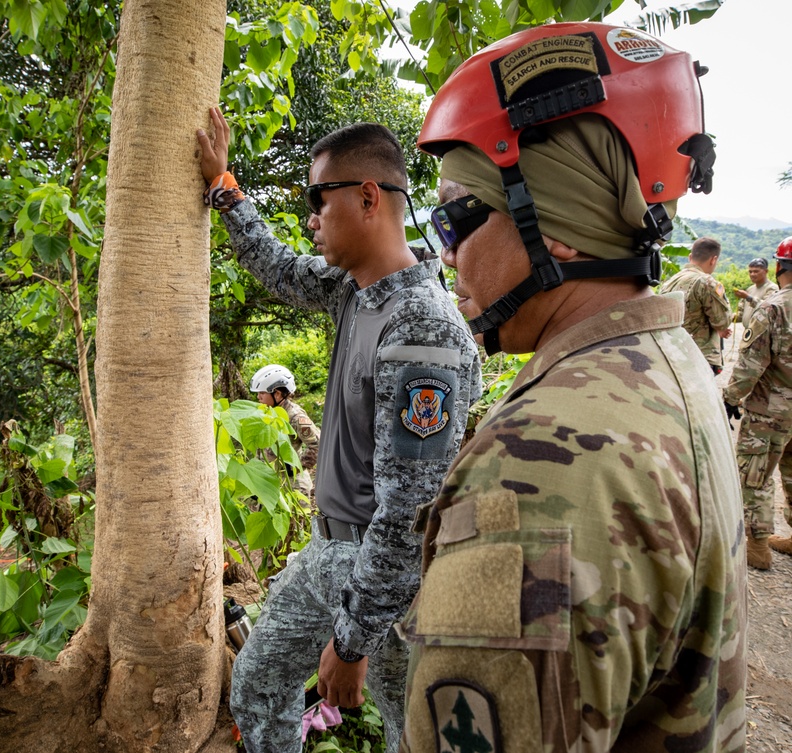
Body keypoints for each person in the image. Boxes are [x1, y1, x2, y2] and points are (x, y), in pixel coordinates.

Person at [402, 22, 745, 752]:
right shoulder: (669, 361)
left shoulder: (532, 475)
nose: (446, 254)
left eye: (456, 218)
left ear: (554, 224)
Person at [197, 109, 481, 751]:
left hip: (387, 573)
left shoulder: (421, 328)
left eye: (318, 200)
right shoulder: (354, 290)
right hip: (330, 550)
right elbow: (277, 266)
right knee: (259, 684)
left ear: (368, 197)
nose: (311, 218)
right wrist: (225, 187)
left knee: (414, 731)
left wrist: (352, 642)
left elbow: (409, 512)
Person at [723, 238, 792, 570]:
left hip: (770, 411)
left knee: (756, 475)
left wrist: (730, 399)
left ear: (779, 268)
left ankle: (758, 546)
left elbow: (751, 365)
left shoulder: (774, 308)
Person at [660, 236, 732, 373]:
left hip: (673, 352)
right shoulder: (706, 282)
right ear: (713, 260)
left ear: (689, 257)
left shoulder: (670, 282)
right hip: (699, 356)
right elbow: (722, 322)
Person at [250, 364, 321, 499]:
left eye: (262, 393)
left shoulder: (295, 416)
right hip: (270, 484)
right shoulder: (266, 412)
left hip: (293, 487)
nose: (258, 397)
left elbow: (318, 444)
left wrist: (295, 467)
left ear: (277, 394)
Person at [735, 257, 779, 329]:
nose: (752, 274)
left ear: (766, 271)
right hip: (748, 333)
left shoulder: (772, 288)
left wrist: (748, 297)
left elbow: (767, 308)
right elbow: (740, 314)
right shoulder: (750, 289)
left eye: (756, 271)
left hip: (762, 334)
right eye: (750, 271)